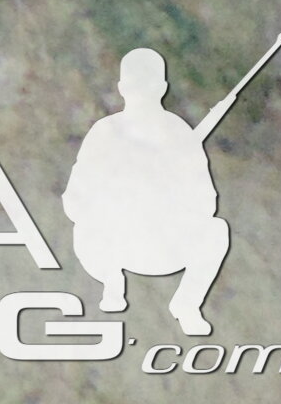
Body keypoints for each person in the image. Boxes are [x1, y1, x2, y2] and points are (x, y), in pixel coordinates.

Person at [64, 48, 232, 338]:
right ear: (163, 87)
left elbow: (205, 204)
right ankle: (112, 282)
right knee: (84, 229)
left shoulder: (178, 134)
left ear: (122, 88)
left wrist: (167, 194)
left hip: (163, 246)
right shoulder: (107, 133)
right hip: (118, 246)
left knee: (216, 231)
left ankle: (186, 305)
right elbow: (75, 202)